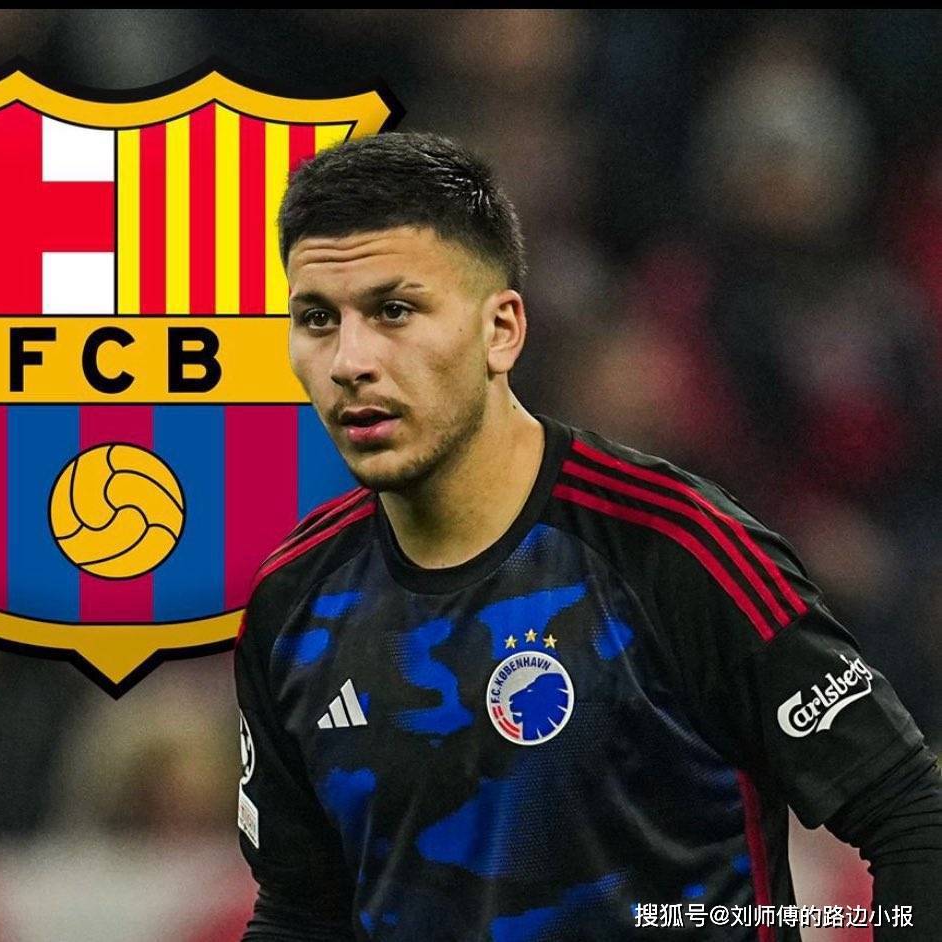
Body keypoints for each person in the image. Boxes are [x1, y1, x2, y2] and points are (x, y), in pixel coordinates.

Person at [232, 132, 942, 941]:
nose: (349, 360)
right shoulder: (291, 601)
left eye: (394, 311)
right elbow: (298, 913)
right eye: (316, 319)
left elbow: (908, 813)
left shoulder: (674, 546)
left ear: (501, 330)